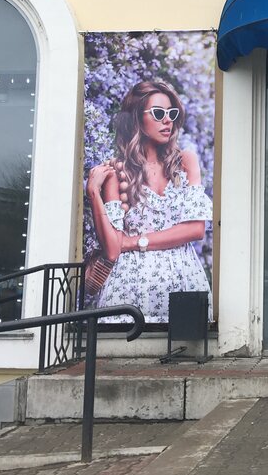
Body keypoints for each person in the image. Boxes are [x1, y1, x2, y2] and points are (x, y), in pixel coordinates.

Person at [85, 80, 212, 323]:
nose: (167, 121)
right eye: (158, 113)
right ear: (136, 118)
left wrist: (134, 241)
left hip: (183, 281)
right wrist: (93, 193)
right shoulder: (117, 172)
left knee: (185, 343)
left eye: (171, 114)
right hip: (130, 287)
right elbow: (112, 248)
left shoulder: (185, 162)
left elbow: (196, 229)